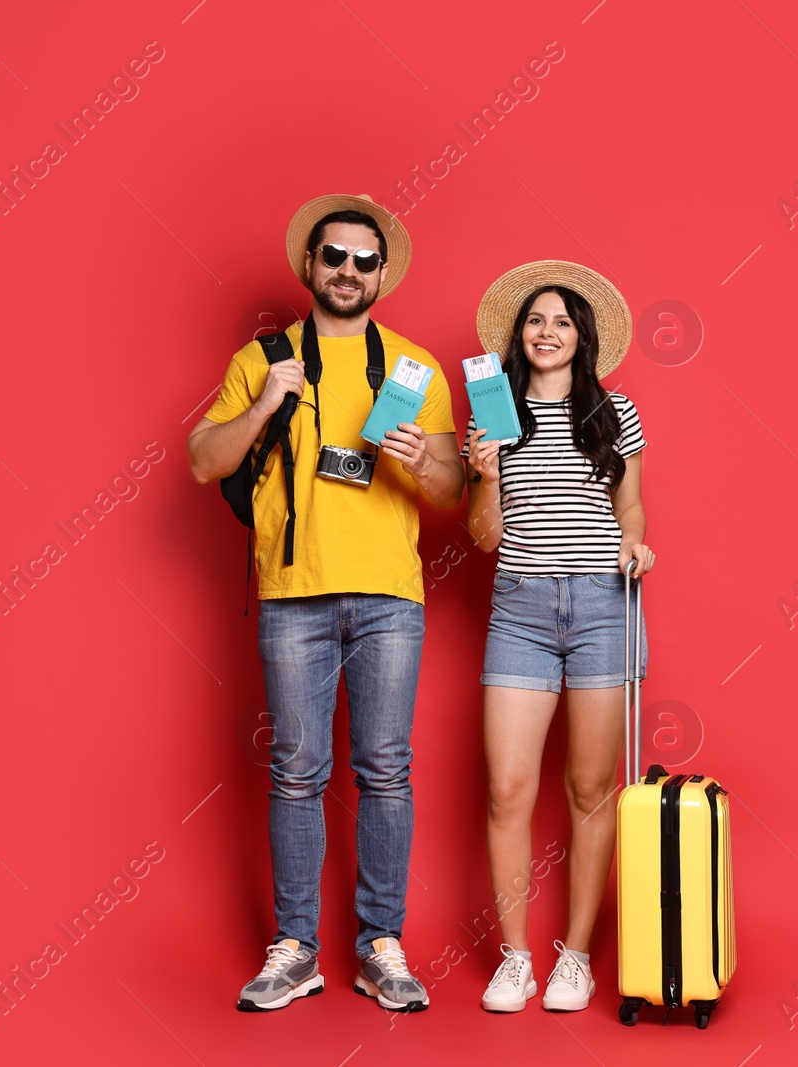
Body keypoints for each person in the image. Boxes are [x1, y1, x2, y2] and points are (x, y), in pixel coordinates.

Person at [187, 194, 464, 1013]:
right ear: (309, 267)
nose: (348, 270)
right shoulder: (262, 358)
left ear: (383, 273)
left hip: (388, 596)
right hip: (294, 595)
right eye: (334, 257)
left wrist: (417, 458)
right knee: (297, 772)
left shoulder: (413, 366)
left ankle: (382, 943)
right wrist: (269, 399)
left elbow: (451, 489)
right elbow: (204, 460)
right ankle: (297, 947)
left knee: (386, 771)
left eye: (363, 260)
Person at [461, 261, 654, 1013]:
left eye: (562, 322)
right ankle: (516, 958)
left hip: (606, 605)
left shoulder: (617, 412)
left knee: (589, 789)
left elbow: (631, 510)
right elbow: (482, 539)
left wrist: (635, 544)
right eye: (536, 320)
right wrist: (481, 474)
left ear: (583, 338)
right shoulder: (493, 414)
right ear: (519, 335)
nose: (547, 332)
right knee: (508, 789)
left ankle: (575, 956)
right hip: (520, 610)